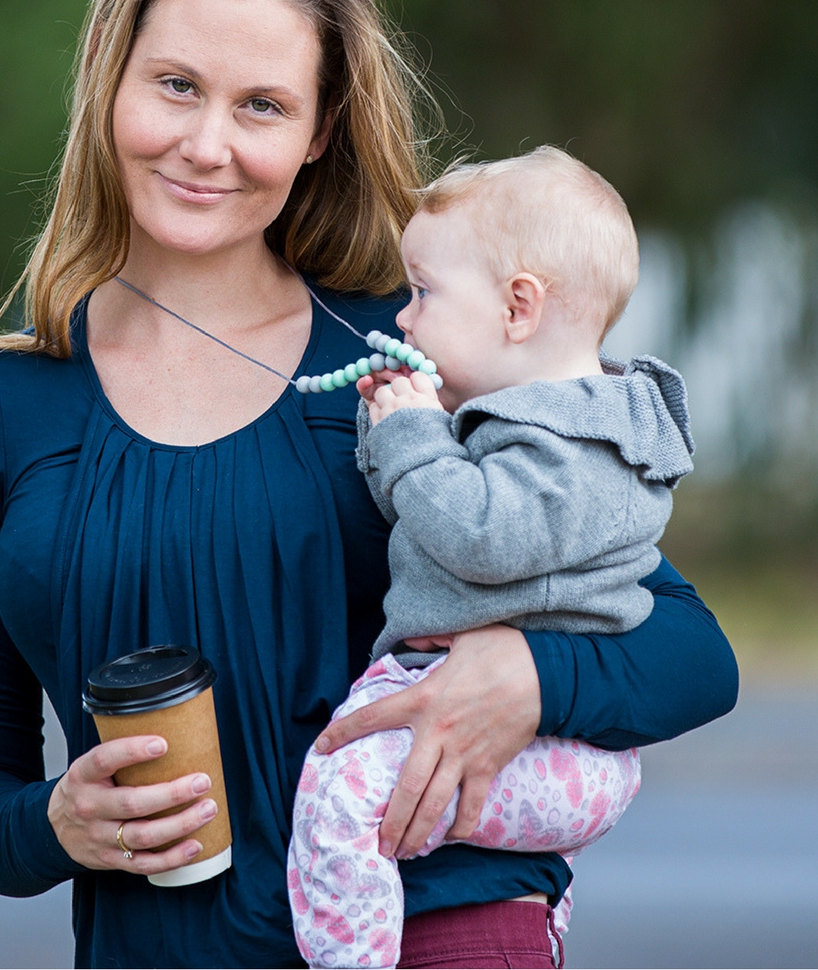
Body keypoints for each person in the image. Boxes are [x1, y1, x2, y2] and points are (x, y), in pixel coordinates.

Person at [0, 0, 738, 969]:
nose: (207, 144)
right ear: (108, 82)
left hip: (443, 933)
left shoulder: (418, 354)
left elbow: (692, 654)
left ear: (319, 132)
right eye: (176, 86)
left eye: (262, 105)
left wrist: (531, 677)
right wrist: (55, 826)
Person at [288, 146, 690, 968]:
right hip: (535, 741)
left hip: (559, 749)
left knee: (340, 803)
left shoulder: (578, 447)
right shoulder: (517, 421)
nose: (404, 316)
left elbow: (480, 539)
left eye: (424, 293)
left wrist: (412, 436)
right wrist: (390, 426)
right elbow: (416, 506)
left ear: (517, 308)